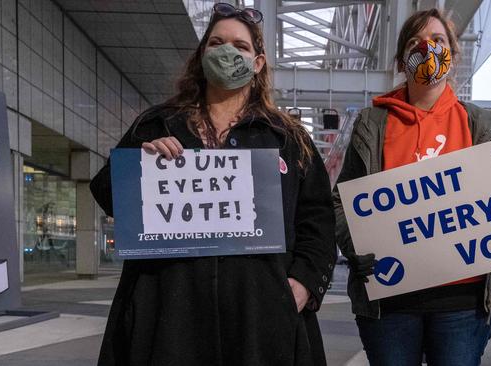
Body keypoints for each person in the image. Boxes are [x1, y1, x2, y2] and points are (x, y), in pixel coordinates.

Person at [90, 3, 336, 365]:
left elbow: (317, 220)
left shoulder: (287, 138)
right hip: (169, 317)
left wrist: (302, 286)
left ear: (258, 63)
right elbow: (108, 194)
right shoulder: (158, 124)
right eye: (216, 42)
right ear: (201, 54)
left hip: (261, 320)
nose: (226, 52)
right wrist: (140, 165)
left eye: (240, 46)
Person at [332, 9, 491, 366]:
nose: (427, 49)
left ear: (452, 58)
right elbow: (340, 201)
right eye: (415, 42)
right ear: (400, 60)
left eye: (438, 41)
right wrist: (354, 245)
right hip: (389, 304)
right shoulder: (373, 123)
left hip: (463, 305)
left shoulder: (480, 123)